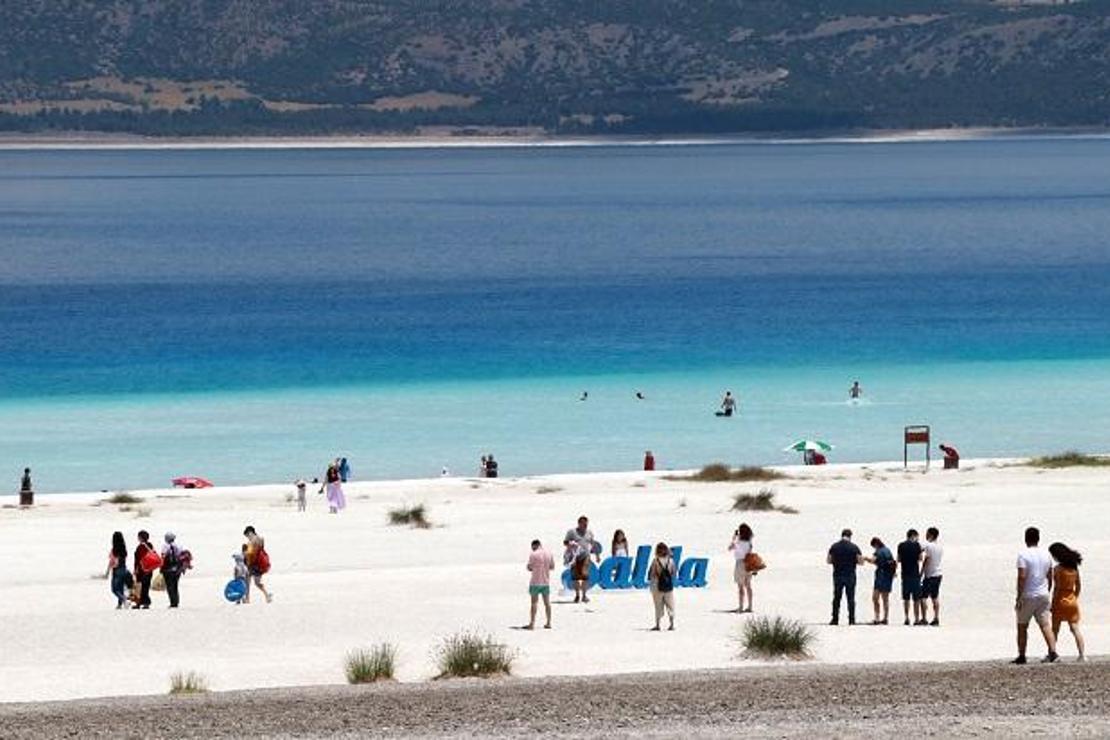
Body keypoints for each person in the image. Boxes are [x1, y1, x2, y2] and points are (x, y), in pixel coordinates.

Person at [1014, 526, 1057, 664]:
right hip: (1043, 594)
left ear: (1025, 539)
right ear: (1038, 539)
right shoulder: (1047, 554)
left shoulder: (1023, 555)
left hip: (1028, 595)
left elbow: (1022, 576)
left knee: (1022, 626)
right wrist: (1048, 589)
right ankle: (1053, 652)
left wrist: (1019, 596)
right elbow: (1050, 575)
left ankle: (1022, 655)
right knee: (1045, 625)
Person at [1048, 542, 1085, 661]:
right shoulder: (1074, 569)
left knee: (1055, 629)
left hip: (1060, 600)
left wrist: (1053, 603)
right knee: (1075, 628)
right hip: (1072, 600)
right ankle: (1082, 655)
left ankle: (1052, 654)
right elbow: (1078, 586)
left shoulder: (1057, 569)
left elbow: (1057, 588)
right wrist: (1074, 598)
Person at [827, 528, 863, 625]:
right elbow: (861, 562)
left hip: (838, 575)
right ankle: (851, 619)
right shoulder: (854, 547)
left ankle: (835, 619)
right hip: (850, 575)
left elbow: (828, 560)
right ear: (850, 536)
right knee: (850, 598)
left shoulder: (834, 546)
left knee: (836, 598)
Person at [564, 516, 599, 604]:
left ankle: (584, 595)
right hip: (574, 557)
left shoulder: (589, 532)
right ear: (579, 523)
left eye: (586, 524)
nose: (585, 525)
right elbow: (565, 542)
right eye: (583, 524)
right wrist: (571, 544)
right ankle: (577, 595)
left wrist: (597, 555)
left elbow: (593, 543)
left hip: (585, 556)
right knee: (575, 577)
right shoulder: (572, 532)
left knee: (585, 575)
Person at [864, 536, 896, 625]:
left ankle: (877, 618)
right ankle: (885, 618)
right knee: (885, 599)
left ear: (876, 544)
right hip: (888, 576)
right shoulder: (888, 550)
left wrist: (865, 558)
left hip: (881, 576)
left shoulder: (878, 551)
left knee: (875, 598)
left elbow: (872, 560)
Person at [897, 529, 925, 625]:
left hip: (905, 575)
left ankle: (906, 618)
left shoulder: (901, 545)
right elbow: (921, 558)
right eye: (917, 536)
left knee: (906, 598)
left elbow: (898, 559)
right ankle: (916, 619)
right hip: (915, 575)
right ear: (913, 536)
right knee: (916, 599)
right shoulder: (917, 545)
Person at [526, 539, 554, 630]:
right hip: (545, 581)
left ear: (534, 545)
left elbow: (530, 567)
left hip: (535, 582)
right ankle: (549, 622)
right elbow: (552, 567)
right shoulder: (549, 553)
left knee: (534, 603)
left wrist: (533, 567)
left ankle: (532, 623)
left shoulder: (533, 554)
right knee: (547, 603)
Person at [648, 542, 676, 631]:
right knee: (670, 605)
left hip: (657, 585)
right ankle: (672, 624)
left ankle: (658, 625)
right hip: (668, 586)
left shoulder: (655, 561)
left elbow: (652, 574)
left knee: (658, 605)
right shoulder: (670, 561)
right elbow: (673, 572)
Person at [243, 526, 273, 604]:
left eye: (247, 535)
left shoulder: (252, 541)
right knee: (257, 583)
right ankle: (267, 595)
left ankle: (247, 599)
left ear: (250, 532)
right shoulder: (261, 539)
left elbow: (250, 553)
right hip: (261, 563)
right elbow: (260, 550)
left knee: (247, 580)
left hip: (254, 564)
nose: (247, 537)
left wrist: (245, 552)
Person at [729, 523, 754, 613]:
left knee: (740, 587)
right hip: (749, 562)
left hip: (740, 563)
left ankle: (740, 607)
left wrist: (734, 538)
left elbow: (730, 548)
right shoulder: (749, 541)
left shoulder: (738, 541)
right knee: (748, 586)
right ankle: (750, 606)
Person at [921, 527, 943, 626]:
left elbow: (927, 559)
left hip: (929, 575)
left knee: (923, 597)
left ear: (930, 535)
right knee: (935, 597)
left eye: (927, 533)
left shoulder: (928, 546)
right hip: (938, 574)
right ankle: (936, 618)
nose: (925, 535)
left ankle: (924, 618)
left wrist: (921, 572)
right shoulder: (940, 547)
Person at [161, 532, 184, 608]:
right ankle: (176, 601)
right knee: (175, 586)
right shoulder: (179, 546)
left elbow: (163, 558)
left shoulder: (165, 546)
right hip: (177, 569)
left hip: (168, 569)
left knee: (169, 586)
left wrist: (161, 568)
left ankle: (172, 602)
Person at [106, 531, 129, 609]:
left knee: (114, 589)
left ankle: (123, 599)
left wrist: (107, 572)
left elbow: (111, 562)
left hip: (117, 570)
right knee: (121, 588)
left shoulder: (114, 550)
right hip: (124, 569)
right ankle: (119, 605)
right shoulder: (124, 549)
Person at [133, 530, 155, 609]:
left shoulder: (140, 547)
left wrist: (135, 569)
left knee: (139, 587)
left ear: (140, 538)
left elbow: (138, 560)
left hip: (142, 570)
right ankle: (144, 603)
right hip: (149, 569)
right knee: (146, 586)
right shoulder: (150, 545)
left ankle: (141, 603)